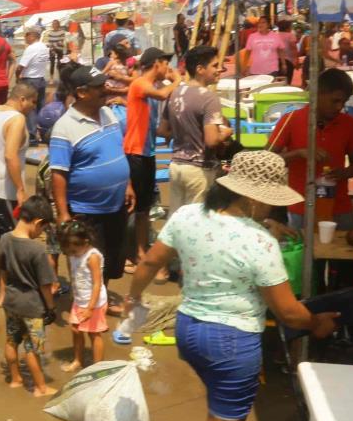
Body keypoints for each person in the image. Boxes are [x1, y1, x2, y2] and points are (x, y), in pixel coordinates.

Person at [127, 151, 338, 421]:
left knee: (227, 407)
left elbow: (148, 263)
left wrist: (132, 299)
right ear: (254, 198)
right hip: (231, 340)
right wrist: (318, 323)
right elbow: (290, 314)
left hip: (189, 330)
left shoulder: (189, 215)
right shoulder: (259, 243)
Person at [49, 67, 134, 308]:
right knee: (87, 261)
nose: (105, 90)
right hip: (87, 210)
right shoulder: (64, 128)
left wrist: (127, 184)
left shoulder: (108, 113)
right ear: (82, 93)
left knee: (110, 258)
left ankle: (101, 300)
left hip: (116, 204)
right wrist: (63, 213)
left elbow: (118, 151)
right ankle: (87, 306)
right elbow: (59, 173)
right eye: (99, 87)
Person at [268, 68, 353, 231]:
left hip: (339, 207)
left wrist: (345, 173)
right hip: (300, 206)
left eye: (344, 102)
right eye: (335, 101)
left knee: (340, 253)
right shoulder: (291, 119)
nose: (339, 107)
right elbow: (267, 160)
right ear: (318, 94)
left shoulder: (349, 123)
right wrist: (299, 153)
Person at [123, 48, 180, 275]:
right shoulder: (140, 84)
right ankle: (125, 252)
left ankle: (139, 250)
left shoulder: (151, 89)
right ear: (157, 64)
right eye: (166, 64)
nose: (168, 69)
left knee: (144, 208)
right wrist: (177, 80)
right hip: (134, 153)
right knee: (131, 206)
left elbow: (151, 124)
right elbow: (164, 94)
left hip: (147, 153)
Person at [0, 83, 37, 287]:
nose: (33, 107)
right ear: (22, 100)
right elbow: (10, 155)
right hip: (1, 186)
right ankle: (9, 282)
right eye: (33, 102)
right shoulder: (17, 119)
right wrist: (21, 188)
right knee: (14, 234)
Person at [0, 195, 57, 396]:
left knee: (11, 340)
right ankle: (41, 387)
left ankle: (15, 379)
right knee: (33, 348)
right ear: (38, 222)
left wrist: (2, 295)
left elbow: (3, 271)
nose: (41, 233)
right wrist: (51, 308)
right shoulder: (37, 250)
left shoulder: (4, 239)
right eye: (42, 229)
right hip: (32, 307)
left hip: (11, 302)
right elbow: (45, 286)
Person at [162, 46, 232, 215]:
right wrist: (226, 133)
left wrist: (185, 132)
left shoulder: (175, 93)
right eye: (214, 66)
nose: (219, 70)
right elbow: (211, 140)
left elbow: (162, 130)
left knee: (177, 221)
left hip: (176, 165)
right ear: (200, 69)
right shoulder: (208, 98)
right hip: (198, 170)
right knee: (197, 222)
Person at [58, 219, 107, 372]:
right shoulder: (74, 254)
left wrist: (90, 308)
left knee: (94, 334)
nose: (71, 254)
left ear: (85, 242)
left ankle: (97, 367)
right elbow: (74, 275)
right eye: (68, 251)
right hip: (80, 300)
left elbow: (97, 284)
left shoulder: (92, 257)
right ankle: (78, 360)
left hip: (94, 302)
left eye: (73, 251)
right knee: (76, 330)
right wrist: (75, 295)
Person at [16, 28, 50, 140]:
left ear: (32, 36)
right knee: (40, 106)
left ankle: (32, 135)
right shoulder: (44, 47)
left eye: (26, 36)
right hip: (41, 78)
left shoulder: (31, 48)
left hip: (30, 80)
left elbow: (21, 66)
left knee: (29, 108)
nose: (25, 38)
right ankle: (42, 131)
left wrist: (17, 77)